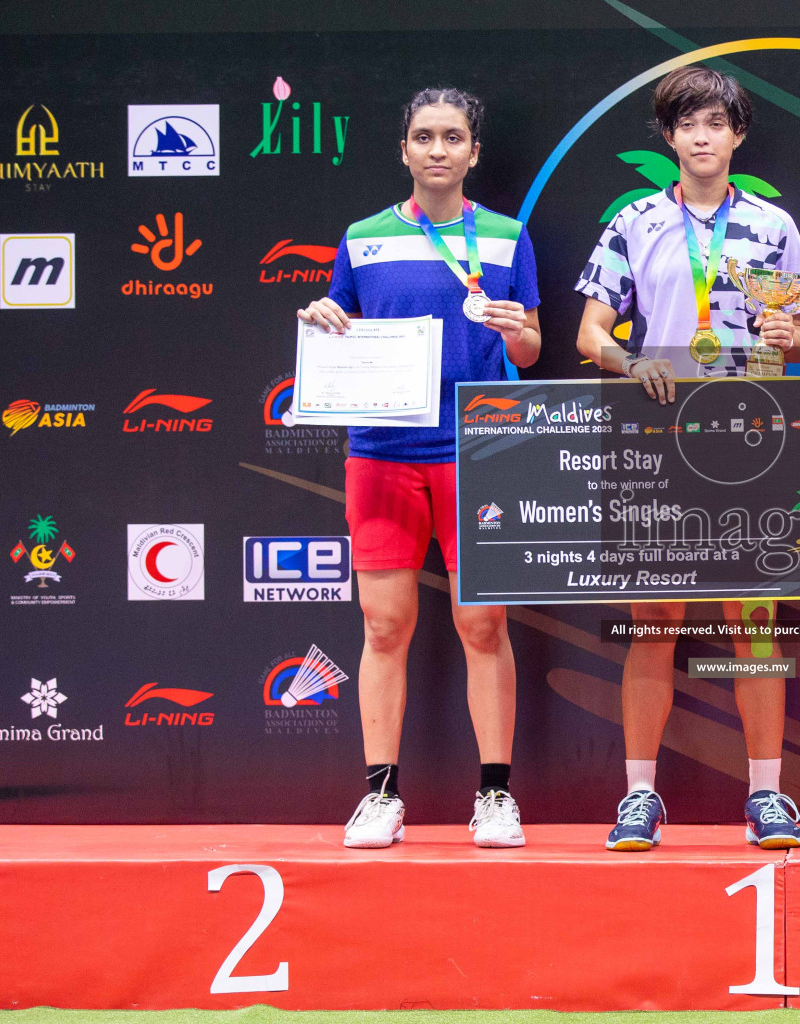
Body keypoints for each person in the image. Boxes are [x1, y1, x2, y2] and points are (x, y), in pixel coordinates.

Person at [574, 65, 800, 851]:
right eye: (688, 124)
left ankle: (767, 797)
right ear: (670, 138)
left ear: (738, 135)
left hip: (750, 437)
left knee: (754, 622)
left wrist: (792, 338)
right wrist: (626, 361)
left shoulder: (775, 226)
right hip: (660, 437)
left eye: (717, 123)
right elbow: (590, 335)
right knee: (656, 621)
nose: (703, 136)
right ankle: (639, 795)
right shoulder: (635, 221)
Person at [297, 87, 541, 850]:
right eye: (425, 136)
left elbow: (531, 348)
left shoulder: (505, 237)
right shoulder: (362, 238)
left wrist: (515, 329)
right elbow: (339, 326)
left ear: (474, 152)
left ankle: (495, 795)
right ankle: (381, 796)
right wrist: (322, 319)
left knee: (483, 623)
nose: (439, 149)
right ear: (404, 150)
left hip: (482, 448)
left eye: (454, 137)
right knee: (383, 624)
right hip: (383, 451)